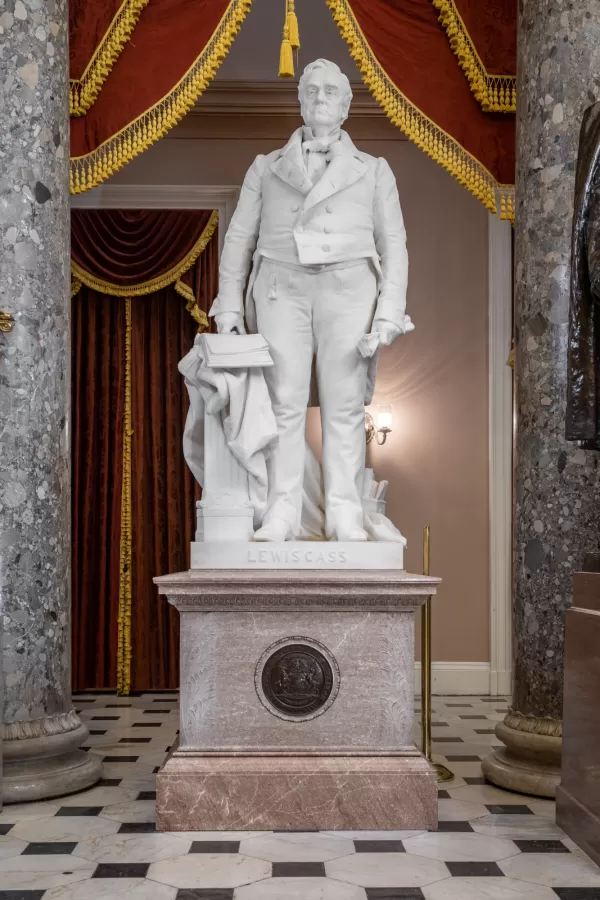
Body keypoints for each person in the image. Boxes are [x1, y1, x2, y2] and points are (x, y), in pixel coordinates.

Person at [210, 59, 412, 541]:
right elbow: (238, 237)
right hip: (282, 285)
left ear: (345, 106)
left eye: (330, 92)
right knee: (284, 401)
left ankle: (343, 511)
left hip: (349, 287)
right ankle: (282, 511)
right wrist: (230, 306)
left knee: (343, 404)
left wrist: (388, 313)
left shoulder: (374, 171)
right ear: (300, 102)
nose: (320, 98)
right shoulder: (266, 168)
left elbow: (395, 244)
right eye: (311, 91)